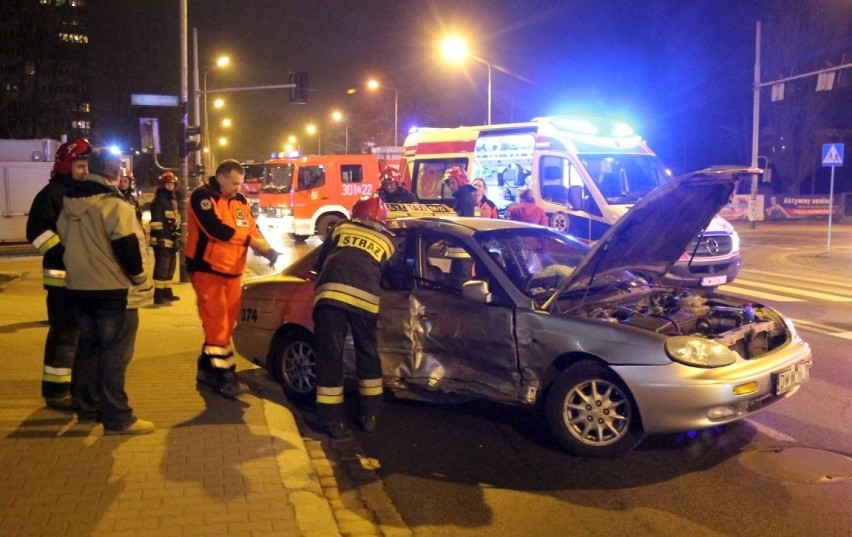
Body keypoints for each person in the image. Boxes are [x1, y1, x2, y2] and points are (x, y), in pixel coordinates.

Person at [58, 147, 155, 435]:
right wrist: (140, 279)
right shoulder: (115, 207)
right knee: (115, 355)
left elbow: (64, 242)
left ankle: (87, 408)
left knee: (88, 349)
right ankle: (118, 418)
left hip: (79, 288)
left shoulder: (69, 205)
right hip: (113, 291)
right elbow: (128, 250)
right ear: (115, 172)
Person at [185, 159, 279, 399]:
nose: (239, 188)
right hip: (208, 271)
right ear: (222, 177)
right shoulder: (202, 197)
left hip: (233, 272)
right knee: (217, 325)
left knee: (227, 323)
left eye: (241, 183)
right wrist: (251, 242)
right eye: (235, 183)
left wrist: (265, 247)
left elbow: (251, 227)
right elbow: (214, 229)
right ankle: (225, 378)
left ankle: (206, 369)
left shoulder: (239, 201)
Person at [312, 196, 396, 438]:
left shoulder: (341, 228)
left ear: (356, 213)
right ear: (382, 221)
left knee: (331, 356)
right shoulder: (389, 241)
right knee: (367, 354)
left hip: (330, 297)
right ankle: (369, 414)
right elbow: (392, 277)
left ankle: (331, 421)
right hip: (365, 302)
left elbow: (320, 263)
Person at [25, 137, 91, 411]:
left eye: (87, 166)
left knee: (81, 337)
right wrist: (65, 252)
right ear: (66, 165)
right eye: (79, 165)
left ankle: (76, 388)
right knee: (64, 336)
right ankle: (55, 392)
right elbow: (37, 233)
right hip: (61, 280)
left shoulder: (84, 192)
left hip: (84, 279)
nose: (84, 171)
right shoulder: (52, 194)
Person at [149, 171, 181, 304]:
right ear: (163, 185)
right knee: (162, 265)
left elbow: (175, 218)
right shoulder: (158, 200)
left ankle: (167, 291)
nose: (170, 186)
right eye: (168, 184)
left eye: (172, 184)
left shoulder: (172, 199)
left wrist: (177, 233)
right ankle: (158, 294)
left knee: (171, 265)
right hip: (162, 238)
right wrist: (161, 237)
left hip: (172, 237)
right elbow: (156, 221)